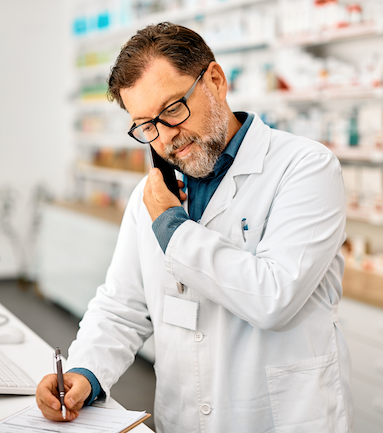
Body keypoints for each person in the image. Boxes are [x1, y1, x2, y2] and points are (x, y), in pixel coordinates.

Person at [36, 22, 353, 433]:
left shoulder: (305, 168)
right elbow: (122, 305)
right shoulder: (150, 196)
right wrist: (85, 372)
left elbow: (274, 298)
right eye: (147, 125)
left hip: (281, 418)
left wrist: (172, 227)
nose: (166, 137)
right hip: (185, 416)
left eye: (172, 110)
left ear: (216, 81)